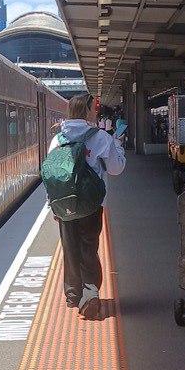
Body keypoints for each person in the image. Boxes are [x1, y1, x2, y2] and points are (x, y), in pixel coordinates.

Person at [49, 93, 126, 319]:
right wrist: (118, 146)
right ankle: (90, 294)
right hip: (91, 204)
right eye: (94, 108)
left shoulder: (57, 139)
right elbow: (116, 168)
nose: (96, 112)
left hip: (63, 205)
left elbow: (52, 176)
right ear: (87, 111)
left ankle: (73, 295)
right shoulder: (100, 137)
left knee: (70, 249)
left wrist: (52, 205)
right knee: (88, 248)